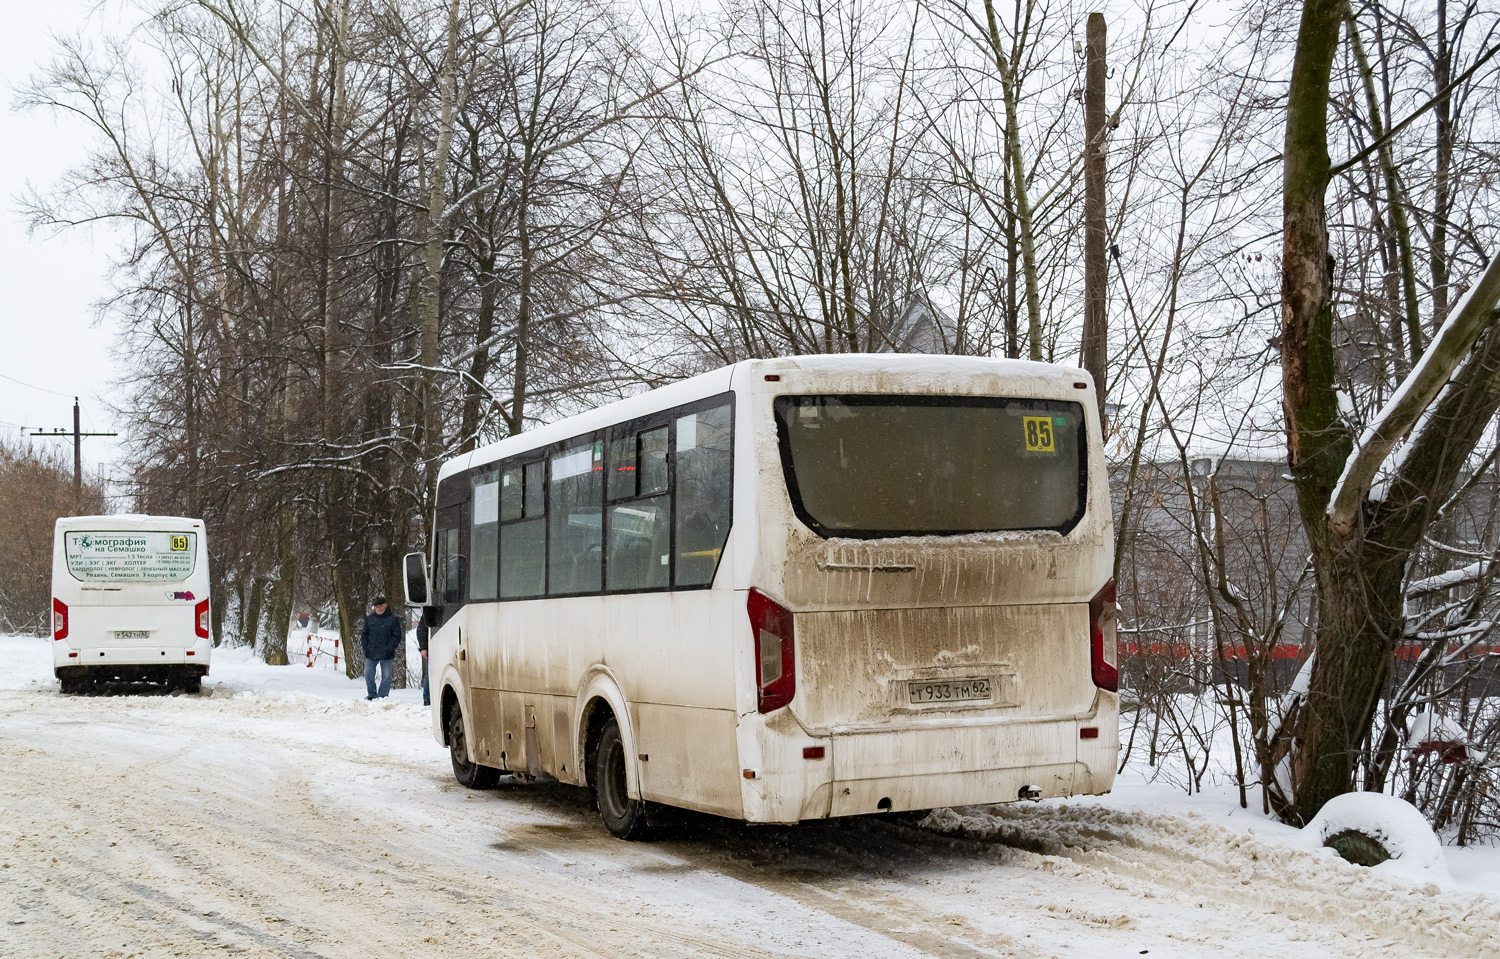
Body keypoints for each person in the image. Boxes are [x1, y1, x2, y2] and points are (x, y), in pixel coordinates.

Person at [360, 595, 402, 700]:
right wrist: (366, 647)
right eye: (377, 606)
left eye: (381, 605)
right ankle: (372, 695)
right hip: (371, 652)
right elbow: (364, 634)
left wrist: (390, 647)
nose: (379, 608)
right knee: (368, 674)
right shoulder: (369, 619)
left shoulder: (393, 619)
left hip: (387, 653)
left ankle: (382, 696)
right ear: (374, 607)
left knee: (386, 677)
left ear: (385, 605)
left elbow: (397, 636)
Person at [415, 613, 430, 706]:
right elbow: (421, 631)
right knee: (429, 676)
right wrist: (423, 648)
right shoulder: (429, 613)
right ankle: (427, 699)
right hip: (431, 649)